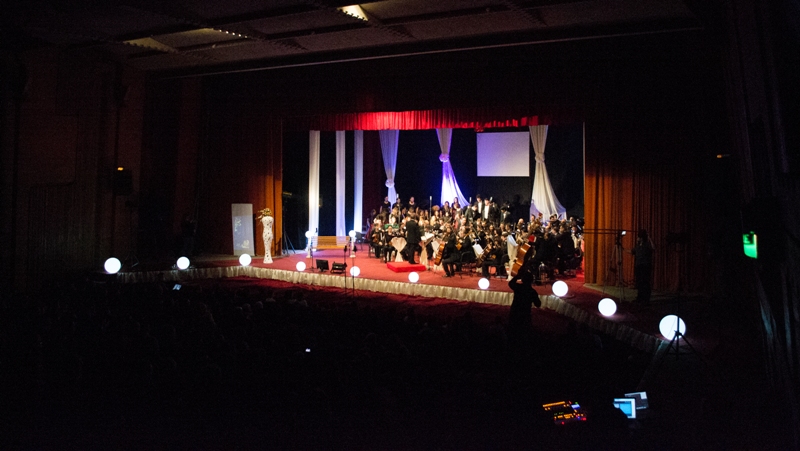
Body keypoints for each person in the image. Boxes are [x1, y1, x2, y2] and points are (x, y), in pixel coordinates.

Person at [508, 266, 540, 338]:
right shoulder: (532, 292)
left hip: (515, 311)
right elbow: (538, 304)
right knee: (525, 332)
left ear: (522, 279)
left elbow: (510, 283)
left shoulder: (518, 287)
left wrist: (518, 276)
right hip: (525, 313)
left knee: (512, 331)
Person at [629, 229, 655, 304]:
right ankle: (639, 298)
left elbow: (653, 248)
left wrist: (649, 238)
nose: (637, 238)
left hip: (646, 266)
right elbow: (632, 251)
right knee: (639, 283)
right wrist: (622, 249)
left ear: (641, 238)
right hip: (638, 266)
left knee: (645, 283)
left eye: (638, 237)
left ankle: (646, 299)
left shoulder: (647, 245)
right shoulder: (637, 246)